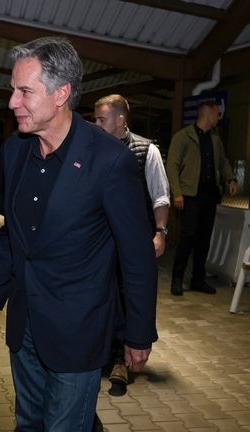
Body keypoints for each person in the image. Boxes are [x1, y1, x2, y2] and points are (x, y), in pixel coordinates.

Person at [0, 36, 158, 431]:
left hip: (79, 331)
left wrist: (139, 334)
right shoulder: (15, 151)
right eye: (12, 90)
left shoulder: (110, 161)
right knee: (28, 423)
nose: (12, 102)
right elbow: (14, 233)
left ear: (61, 94)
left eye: (24, 91)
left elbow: (136, 256)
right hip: (25, 328)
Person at [94, 94, 170, 395]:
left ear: (120, 119)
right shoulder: (92, 150)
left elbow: (160, 195)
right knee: (103, 294)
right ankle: (104, 353)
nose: (96, 125)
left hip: (132, 241)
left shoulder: (146, 151)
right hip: (101, 241)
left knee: (127, 297)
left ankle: (120, 360)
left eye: (101, 119)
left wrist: (160, 232)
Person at [166, 99, 237, 296]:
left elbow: (222, 163)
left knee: (204, 239)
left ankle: (198, 279)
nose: (218, 117)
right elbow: (171, 166)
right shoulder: (183, 137)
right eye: (216, 113)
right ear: (207, 113)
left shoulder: (215, 139)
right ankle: (177, 279)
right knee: (187, 237)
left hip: (209, 197)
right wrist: (177, 192)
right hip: (189, 196)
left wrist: (230, 179)